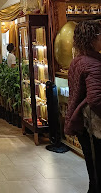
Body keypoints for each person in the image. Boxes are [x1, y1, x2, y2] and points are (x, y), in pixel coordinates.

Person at [65, 21, 101, 193]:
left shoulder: (77, 61)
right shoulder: (93, 64)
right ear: (92, 39)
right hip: (93, 127)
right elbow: (96, 100)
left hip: (81, 124)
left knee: (93, 170)